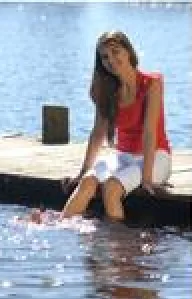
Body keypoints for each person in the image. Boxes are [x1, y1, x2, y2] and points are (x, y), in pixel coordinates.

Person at [61, 31, 172, 222]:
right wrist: (81, 172)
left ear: (128, 51)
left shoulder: (151, 83)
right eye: (105, 57)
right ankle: (62, 229)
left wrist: (146, 179)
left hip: (155, 158)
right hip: (123, 159)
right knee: (87, 182)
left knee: (111, 188)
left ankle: (117, 242)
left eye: (115, 52)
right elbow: (97, 134)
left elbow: (149, 133)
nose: (111, 60)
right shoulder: (107, 91)